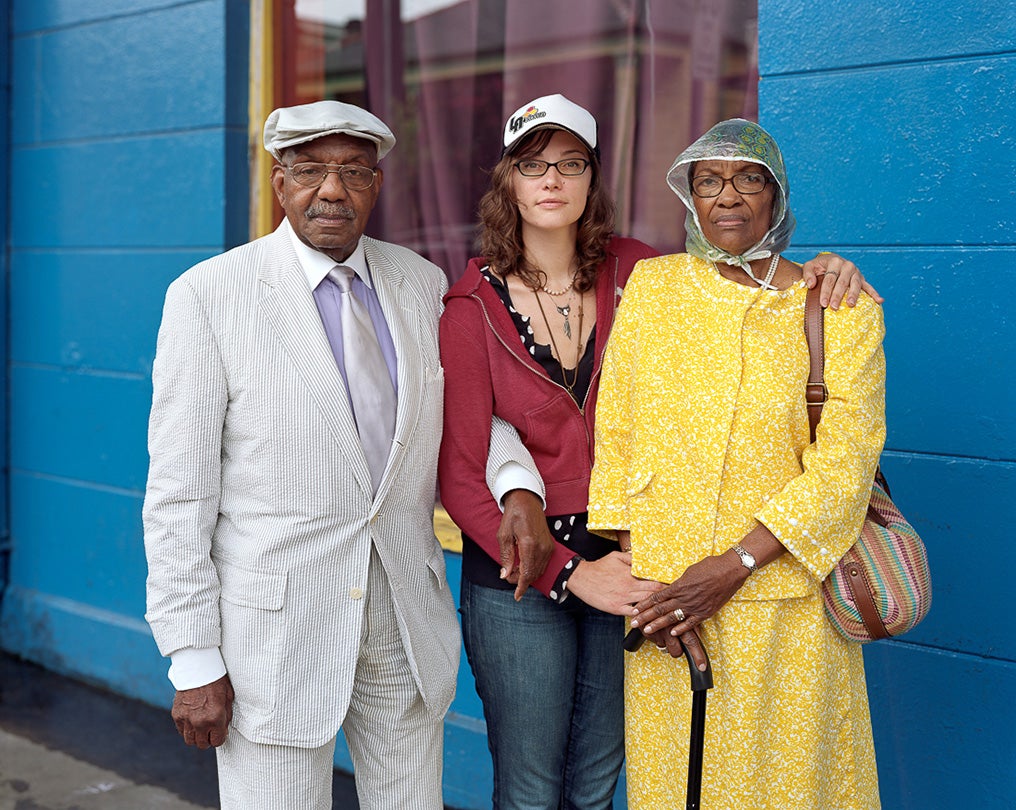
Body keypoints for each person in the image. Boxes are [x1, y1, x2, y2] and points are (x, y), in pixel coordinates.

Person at [438, 95, 877, 809]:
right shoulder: (471, 309)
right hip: (535, 564)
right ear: (508, 182)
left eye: (570, 163)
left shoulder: (641, 274)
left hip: (636, 562)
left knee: (599, 776)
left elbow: (746, 276)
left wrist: (827, 269)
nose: (552, 180)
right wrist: (570, 569)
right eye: (533, 165)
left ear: (592, 180)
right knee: (530, 783)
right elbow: (460, 469)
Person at [142, 100, 538, 810]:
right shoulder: (209, 296)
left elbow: (470, 417)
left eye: (353, 171)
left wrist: (517, 487)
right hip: (274, 635)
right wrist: (192, 657)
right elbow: (179, 494)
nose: (332, 190)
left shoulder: (419, 283)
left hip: (403, 621)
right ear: (278, 183)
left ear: (377, 186)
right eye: (310, 170)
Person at [587, 118, 885, 809]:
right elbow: (620, 428)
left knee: (786, 787)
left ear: (776, 196)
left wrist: (732, 567)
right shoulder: (653, 289)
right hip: (669, 611)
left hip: (783, 603)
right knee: (674, 787)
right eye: (709, 181)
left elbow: (845, 466)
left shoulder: (836, 307)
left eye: (749, 178)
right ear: (689, 197)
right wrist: (649, 582)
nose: (728, 196)